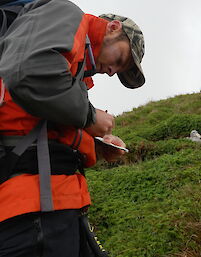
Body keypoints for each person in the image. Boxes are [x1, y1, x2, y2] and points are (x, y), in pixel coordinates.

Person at [0, 0, 145, 256]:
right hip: (34, 208)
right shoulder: (65, 12)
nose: (113, 72)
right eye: (120, 60)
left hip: (58, 205)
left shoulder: (74, 70)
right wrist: (90, 117)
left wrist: (98, 146)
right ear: (112, 28)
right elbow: (28, 75)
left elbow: (43, 126)